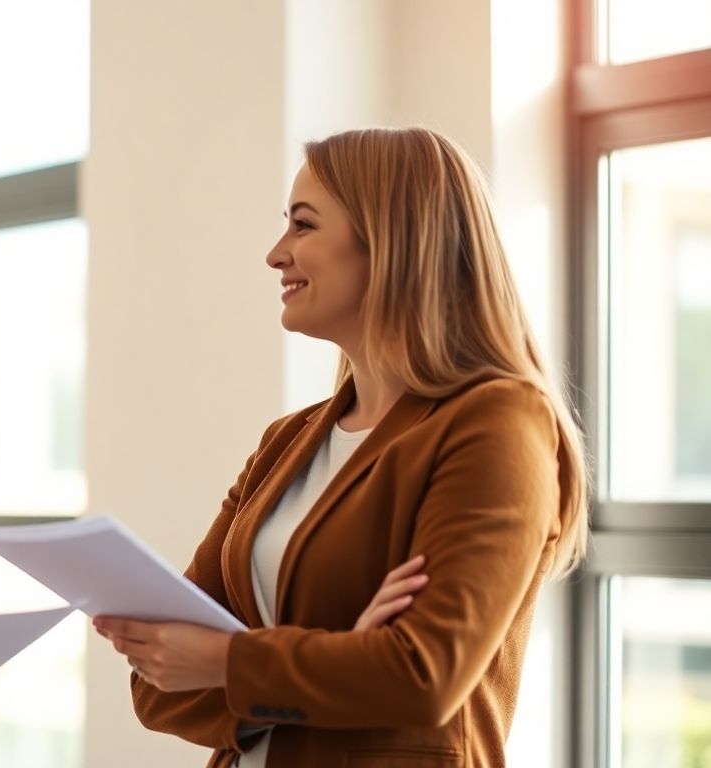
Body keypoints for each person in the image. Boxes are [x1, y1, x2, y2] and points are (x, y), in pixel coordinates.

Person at [93, 127, 588, 767]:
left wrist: (228, 658)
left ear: (390, 240)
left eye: (303, 225)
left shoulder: (497, 422)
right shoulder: (287, 443)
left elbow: (422, 675)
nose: (276, 254)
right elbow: (158, 687)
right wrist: (342, 654)